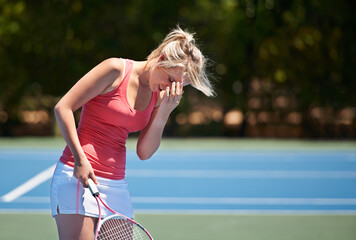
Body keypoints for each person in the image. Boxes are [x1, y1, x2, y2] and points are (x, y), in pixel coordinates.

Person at [50, 26, 215, 240]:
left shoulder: (158, 95)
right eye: (171, 79)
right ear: (162, 58)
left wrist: (164, 112)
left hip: (116, 184)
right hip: (77, 176)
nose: (170, 87)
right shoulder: (115, 69)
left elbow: (144, 152)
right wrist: (80, 159)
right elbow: (62, 107)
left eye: (179, 86)